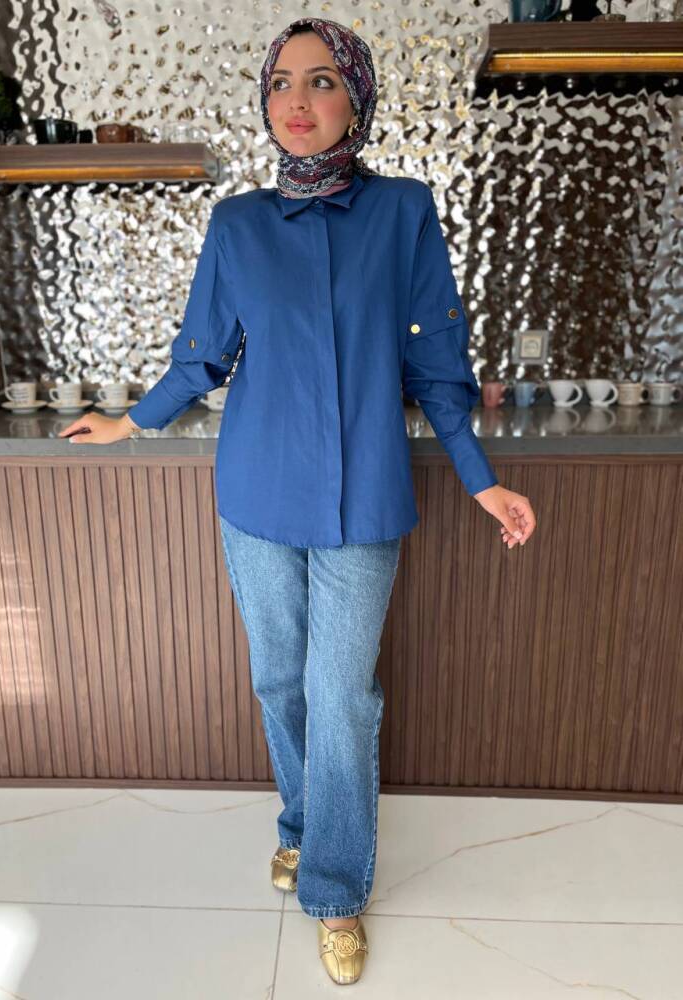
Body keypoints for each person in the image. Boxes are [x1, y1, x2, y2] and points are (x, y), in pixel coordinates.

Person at [60, 15, 536, 985]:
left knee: (340, 693)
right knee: (279, 678)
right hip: (257, 490)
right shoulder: (238, 225)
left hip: (365, 499)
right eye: (281, 81)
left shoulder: (401, 212)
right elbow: (202, 355)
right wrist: (131, 421)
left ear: (356, 99)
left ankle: (334, 886)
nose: (297, 99)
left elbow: (436, 361)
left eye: (321, 80)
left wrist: (480, 478)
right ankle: (301, 823)